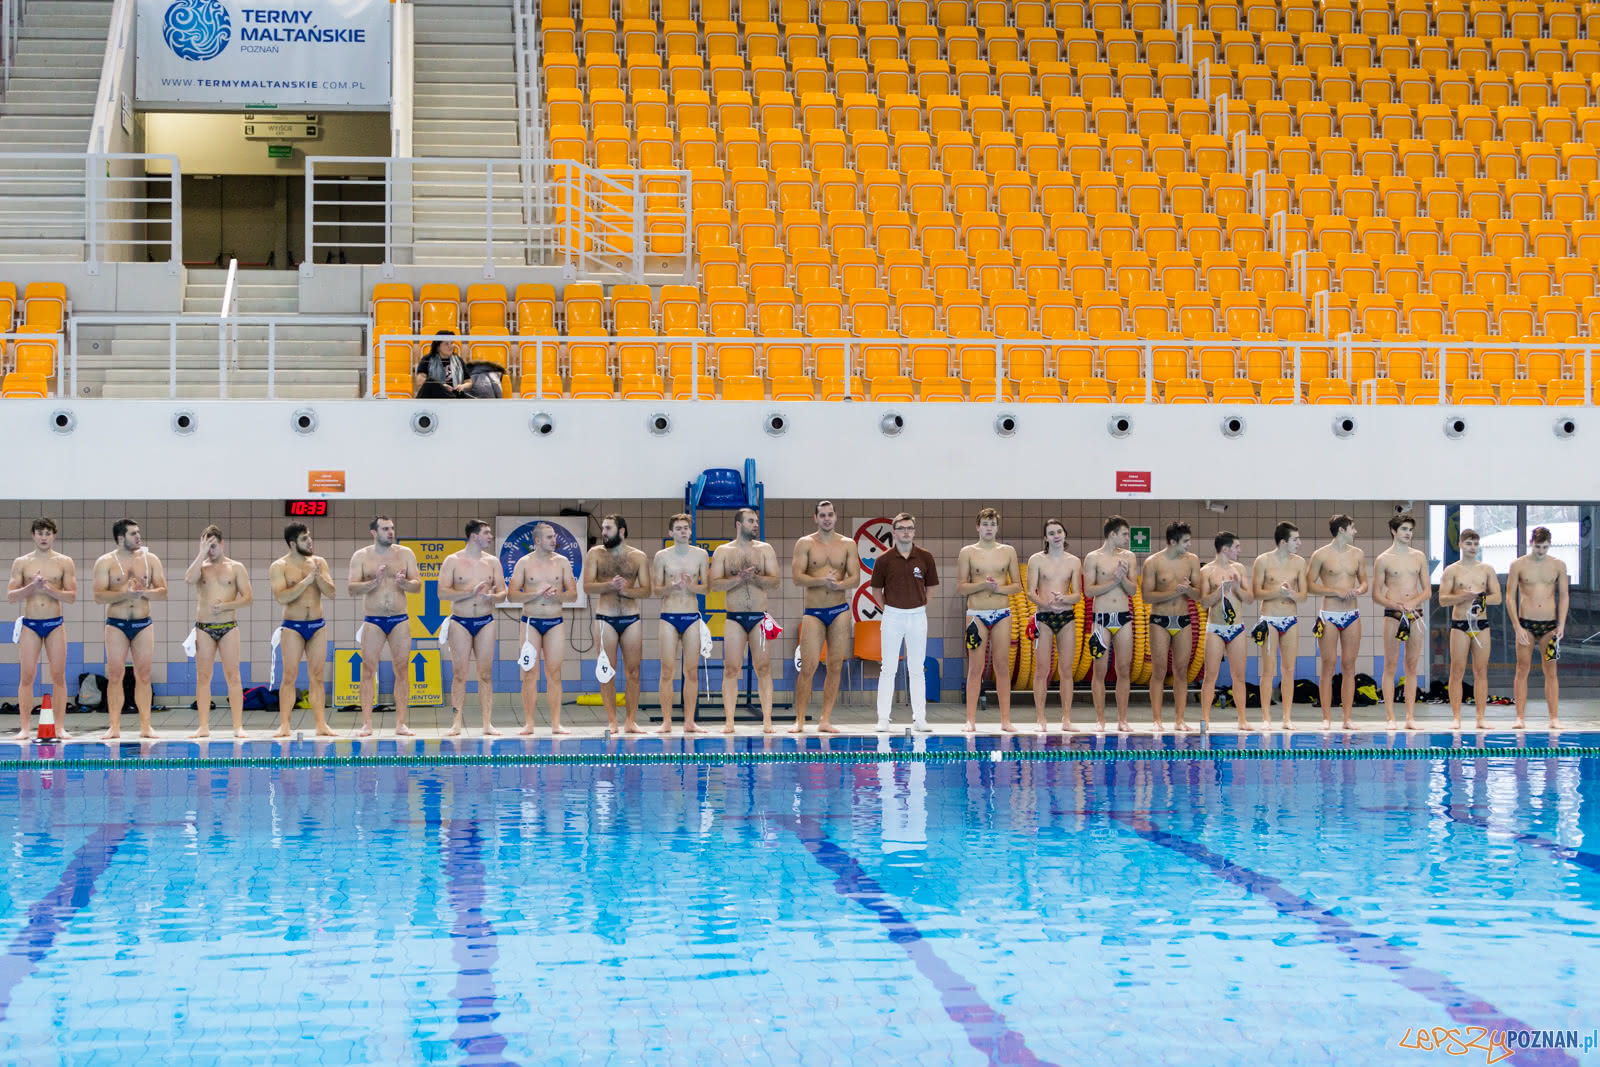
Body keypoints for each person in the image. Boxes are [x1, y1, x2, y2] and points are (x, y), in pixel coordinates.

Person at [92, 518, 167, 740]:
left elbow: (163, 591)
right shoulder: (105, 562)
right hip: (116, 624)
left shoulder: (150, 559)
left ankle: (146, 726)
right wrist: (126, 593)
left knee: (143, 675)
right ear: (120, 538)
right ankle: (114, 727)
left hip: (143, 623)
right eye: (133, 533)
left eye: (138, 533)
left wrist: (143, 592)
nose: (139, 537)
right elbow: (98, 596)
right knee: (115, 674)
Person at [347, 516, 422, 736]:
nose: (390, 532)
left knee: (402, 670)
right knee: (368, 671)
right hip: (373, 620)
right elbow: (352, 589)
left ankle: (400, 723)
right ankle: (367, 724)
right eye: (385, 529)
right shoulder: (361, 556)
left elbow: (417, 586)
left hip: (399, 619)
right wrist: (374, 582)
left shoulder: (405, 554)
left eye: (392, 528)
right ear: (374, 532)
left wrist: (404, 583)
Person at [710, 508, 782, 733]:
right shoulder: (723, 551)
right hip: (734, 618)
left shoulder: (765, 550)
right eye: (751, 521)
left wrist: (755, 578)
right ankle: (729, 721)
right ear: (739, 524)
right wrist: (738, 579)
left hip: (759, 618)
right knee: (731, 668)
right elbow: (715, 584)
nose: (755, 524)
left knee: (763, 667)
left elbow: (775, 582)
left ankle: (767, 720)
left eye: (757, 521)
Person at [791, 500, 860, 734]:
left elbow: (855, 578)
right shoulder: (805, 543)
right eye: (822, 515)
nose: (827, 518)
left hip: (839, 610)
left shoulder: (848, 544)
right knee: (808, 667)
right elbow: (797, 578)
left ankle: (825, 719)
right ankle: (799, 720)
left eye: (830, 514)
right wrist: (822, 581)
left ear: (836, 516)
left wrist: (839, 584)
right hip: (813, 613)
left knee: (835, 666)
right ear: (815, 518)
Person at [6, 518, 76, 741]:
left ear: (54, 535)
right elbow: (11, 596)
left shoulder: (64, 562)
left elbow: (72, 597)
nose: (44, 537)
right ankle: (25, 728)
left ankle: (60, 727)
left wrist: (49, 588)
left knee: (58, 676)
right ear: (33, 535)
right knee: (27, 676)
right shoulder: (22, 562)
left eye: (48, 533)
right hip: (31, 624)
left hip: (55, 623)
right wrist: (32, 587)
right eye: (40, 533)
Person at [183, 525, 253, 739]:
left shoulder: (236, 567)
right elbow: (188, 579)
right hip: (203, 628)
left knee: (234, 677)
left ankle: (238, 727)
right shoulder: (200, 567)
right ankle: (203, 727)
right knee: (203, 677)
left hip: (228, 627)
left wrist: (226, 605)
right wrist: (200, 554)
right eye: (206, 546)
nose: (210, 550)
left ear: (222, 544)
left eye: (213, 545)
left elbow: (248, 598)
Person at [438, 520, 507, 736]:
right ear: (474, 536)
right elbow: (442, 593)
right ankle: (456, 723)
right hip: (460, 621)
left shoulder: (493, 562)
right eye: (487, 533)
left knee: (485, 674)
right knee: (460, 674)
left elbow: (503, 594)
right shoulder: (453, 561)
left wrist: (491, 596)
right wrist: (470, 592)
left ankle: (487, 724)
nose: (491, 536)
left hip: (485, 620)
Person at [507, 522, 577, 735]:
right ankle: (529, 723)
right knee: (529, 673)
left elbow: (573, 595)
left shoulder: (563, 562)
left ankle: (556, 724)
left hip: (555, 622)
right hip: (530, 622)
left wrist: (556, 595)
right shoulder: (524, 563)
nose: (553, 540)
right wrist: (535, 594)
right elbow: (511, 596)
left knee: (554, 673)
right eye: (548, 537)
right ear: (536, 541)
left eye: (554, 536)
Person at [871, 512, 939, 732]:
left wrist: (918, 606)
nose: (906, 531)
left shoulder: (926, 557)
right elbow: (876, 590)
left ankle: (920, 718)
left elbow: (931, 588)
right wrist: (890, 609)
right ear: (894, 532)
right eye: (902, 528)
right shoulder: (883, 560)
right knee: (888, 668)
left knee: (917, 668)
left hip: (918, 615)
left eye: (910, 528)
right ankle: (883, 719)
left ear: (914, 531)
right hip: (892, 615)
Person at [956, 509, 1023, 732]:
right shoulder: (967, 552)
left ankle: (1005, 720)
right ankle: (970, 720)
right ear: (978, 527)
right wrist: (983, 585)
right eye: (984, 523)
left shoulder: (1008, 551)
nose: (988, 527)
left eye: (992, 524)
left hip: (1001, 613)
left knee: (1002, 666)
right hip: (976, 614)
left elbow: (1017, 586)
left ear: (997, 527)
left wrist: (998, 588)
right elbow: (961, 586)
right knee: (976, 667)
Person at [582, 514, 650, 734]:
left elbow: (646, 590)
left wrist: (625, 590)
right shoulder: (595, 554)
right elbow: (587, 587)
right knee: (606, 671)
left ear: (621, 531)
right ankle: (612, 721)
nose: (603, 532)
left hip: (631, 618)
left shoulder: (638, 557)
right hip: (605, 617)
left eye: (608, 528)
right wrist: (610, 585)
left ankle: (630, 721)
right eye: (603, 528)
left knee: (634, 672)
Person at [270, 523, 338, 738]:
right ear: (292, 543)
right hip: (293, 627)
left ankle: (321, 725)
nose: (310, 541)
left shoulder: (319, 563)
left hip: (317, 625)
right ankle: (285, 725)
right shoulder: (279, 566)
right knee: (289, 676)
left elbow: (332, 593)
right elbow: (282, 597)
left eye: (309, 537)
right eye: (304, 539)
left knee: (317, 677)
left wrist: (318, 577)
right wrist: (307, 580)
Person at [1306, 514, 1369, 731]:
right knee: (1328, 664)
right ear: (1342, 530)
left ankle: (1347, 718)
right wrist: (1336, 591)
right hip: (1329, 614)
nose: (1355, 532)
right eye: (1353, 528)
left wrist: (1357, 590)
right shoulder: (1320, 555)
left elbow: (1364, 583)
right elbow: (1310, 585)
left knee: (1349, 666)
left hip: (1351, 614)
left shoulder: (1358, 554)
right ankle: (1326, 718)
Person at [1438, 528, 1502, 731]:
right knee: (1456, 671)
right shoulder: (1452, 570)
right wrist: (1462, 597)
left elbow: (1497, 598)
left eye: (1475, 544)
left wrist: (1479, 597)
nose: (1472, 548)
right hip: (1460, 625)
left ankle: (1480, 718)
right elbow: (1442, 599)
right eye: (1469, 544)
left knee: (1481, 671)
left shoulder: (1486, 569)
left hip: (1481, 624)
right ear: (1460, 545)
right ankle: (1456, 717)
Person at [652, 512, 710, 734]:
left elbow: (706, 587)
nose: (683, 531)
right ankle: (666, 722)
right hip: (668, 616)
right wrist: (673, 587)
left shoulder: (701, 555)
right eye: (678, 528)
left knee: (691, 671)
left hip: (691, 616)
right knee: (667, 670)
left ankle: (689, 721)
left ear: (690, 531)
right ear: (671, 532)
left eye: (686, 528)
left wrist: (689, 586)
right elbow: (656, 590)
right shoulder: (662, 556)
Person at [1372, 512, 1431, 730]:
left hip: (1415, 615)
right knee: (1390, 665)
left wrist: (1413, 601)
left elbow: (1427, 591)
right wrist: (1397, 605)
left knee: (1412, 665)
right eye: (1404, 529)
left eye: (1410, 530)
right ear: (1393, 531)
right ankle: (1390, 718)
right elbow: (1376, 594)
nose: (1408, 533)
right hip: (1393, 614)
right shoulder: (1383, 559)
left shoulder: (1419, 557)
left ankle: (1410, 717)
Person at [1506, 525, 1568, 730]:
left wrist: (1562, 623)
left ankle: (1554, 718)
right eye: (1538, 546)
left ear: (1549, 545)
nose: (1541, 551)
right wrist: (1517, 626)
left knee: (1551, 671)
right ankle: (1520, 718)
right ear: (1531, 543)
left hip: (1549, 626)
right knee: (1522, 669)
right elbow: (1509, 597)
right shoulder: (1518, 565)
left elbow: (1564, 596)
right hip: (1526, 625)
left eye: (1545, 547)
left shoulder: (1558, 565)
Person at [1083, 516, 1139, 732]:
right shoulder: (1093, 558)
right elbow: (1089, 591)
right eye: (1124, 534)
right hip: (1101, 619)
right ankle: (1100, 720)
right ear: (1112, 534)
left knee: (1124, 669)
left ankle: (1122, 719)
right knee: (1099, 670)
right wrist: (1113, 581)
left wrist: (1123, 578)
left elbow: (1133, 590)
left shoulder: (1129, 557)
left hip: (1123, 617)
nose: (1127, 538)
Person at [1025, 520, 1082, 733]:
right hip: (1044, 617)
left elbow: (1077, 594)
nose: (1056, 535)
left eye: (1059, 531)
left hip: (1066, 617)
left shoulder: (1074, 562)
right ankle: (1041, 719)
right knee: (1042, 670)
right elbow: (1030, 591)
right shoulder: (1037, 560)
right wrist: (1045, 604)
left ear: (1065, 534)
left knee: (1066, 670)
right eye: (1051, 533)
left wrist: (1064, 599)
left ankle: (1066, 719)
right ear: (1046, 538)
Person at [1251, 522, 1307, 729]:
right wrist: (1278, 592)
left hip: (1290, 619)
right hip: (1269, 619)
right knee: (1268, 670)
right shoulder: (1263, 561)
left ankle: (1286, 717)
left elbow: (1303, 596)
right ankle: (1266, 717)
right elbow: (1256, 593)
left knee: (1289, 670)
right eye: (1295, 539)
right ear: (1283, 542)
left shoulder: (1300, 563)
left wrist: (1291, 594)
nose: (1299, 543)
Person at [1198, 531, 1254, 730]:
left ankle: (1242, 720)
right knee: (1210, 675)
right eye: (1237, 547)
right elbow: (1204, 602)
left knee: (1239, 676)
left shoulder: (1239, 569)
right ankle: (1205, 719)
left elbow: (1250, 599)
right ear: (1225, 549)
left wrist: (1237, 588)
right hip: (1215, 628)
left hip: (1236, 628)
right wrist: (1220, 590)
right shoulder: (1206, 572)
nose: (1240, 551)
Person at [414, 331, 470, 399]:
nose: (450, 346)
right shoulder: (427, 359)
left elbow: (469, 382)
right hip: (436, 397)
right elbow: (420, 382)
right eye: (446, 344)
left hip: (455, 395)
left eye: (452, 343)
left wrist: (462, 386)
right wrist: (441, 386)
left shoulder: (459, 360)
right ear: (438, 346)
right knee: (430, 382)